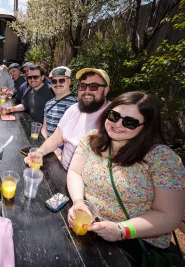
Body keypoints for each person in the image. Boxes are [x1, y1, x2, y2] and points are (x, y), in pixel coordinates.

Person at [67, 91, 185, 266]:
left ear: (146, 126)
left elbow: (170, 216)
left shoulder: (162, 159)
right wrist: (78, 201)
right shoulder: (91, 140)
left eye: (130, 122)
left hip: (136, 240)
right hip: (92, 227)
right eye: (114, 115)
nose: (117, 124)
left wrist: (121, 230)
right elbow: (75, 172)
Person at [25, 68, 111, 170]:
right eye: (83, 86)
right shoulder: (74, 109)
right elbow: (56, 137)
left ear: (106, 90)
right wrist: (39, 152)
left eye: (94, 87)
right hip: (61, 170)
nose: (87, 91)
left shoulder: (113, 117)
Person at [41, 66, 77, 138]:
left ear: (69, 81)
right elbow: (44, 129)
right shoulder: (48, 104)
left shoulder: (76, 104)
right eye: (54, 81)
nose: (58, 84)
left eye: (61, 80)